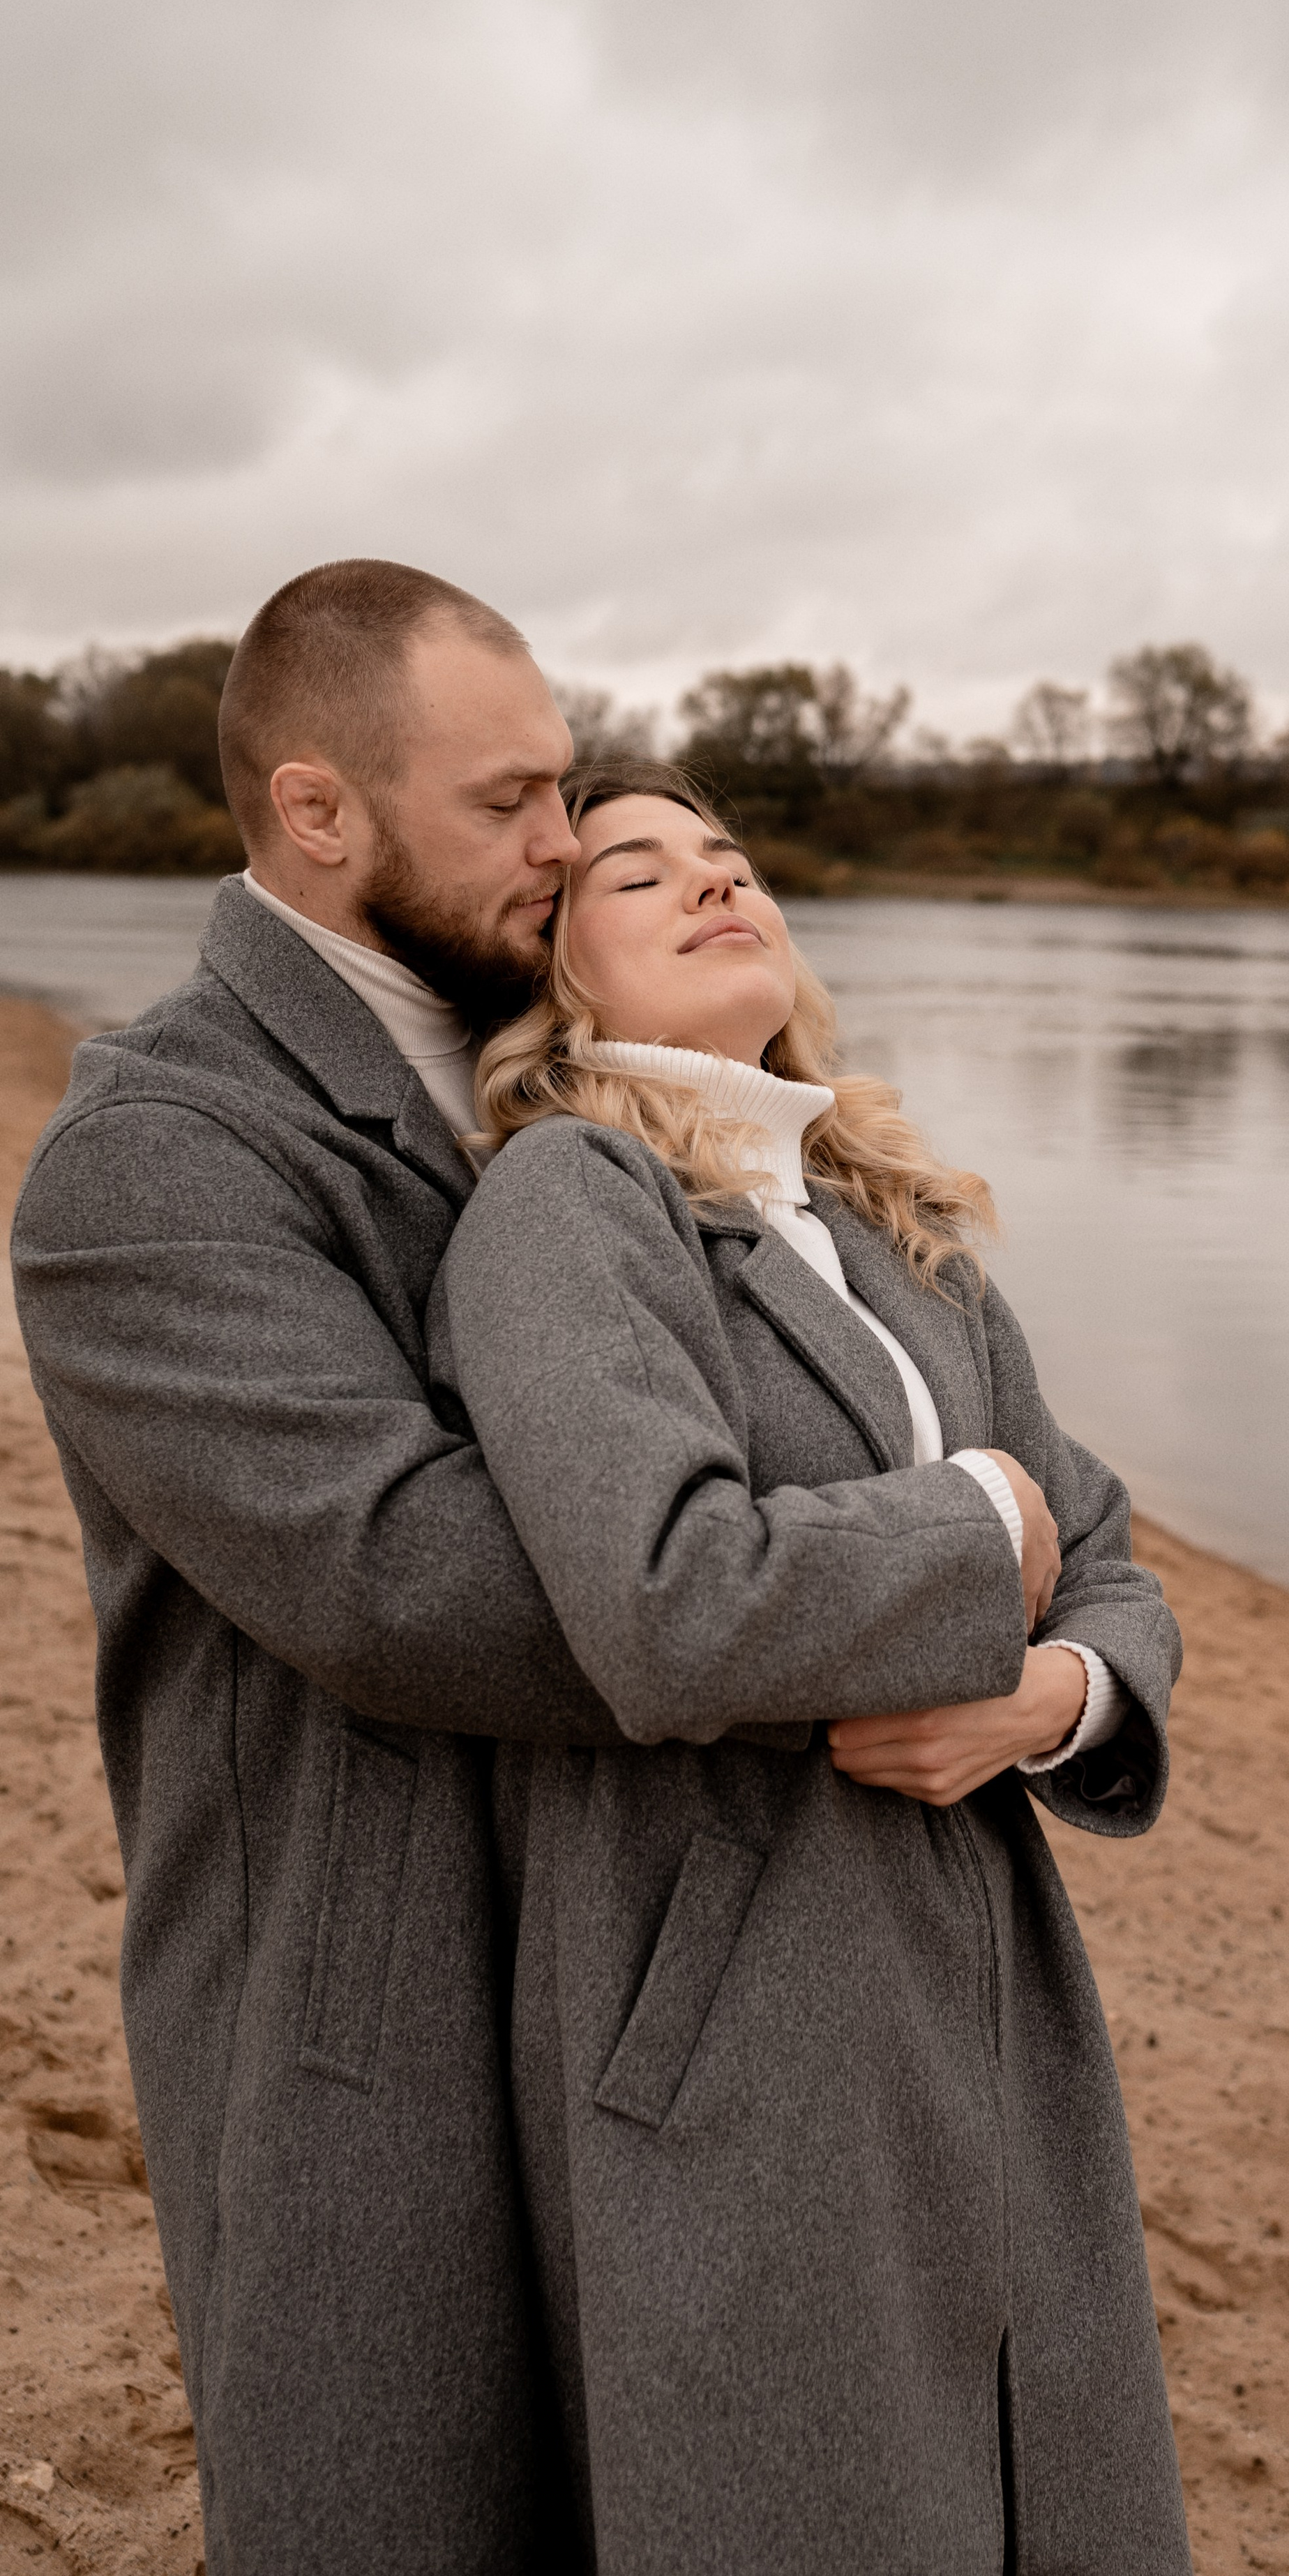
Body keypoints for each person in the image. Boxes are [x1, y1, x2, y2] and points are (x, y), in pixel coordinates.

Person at [432, 764, 1193, 2574]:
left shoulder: (893, 1229)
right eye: (640, 871)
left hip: (989, 1981)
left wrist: (1048, 1701)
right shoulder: (568, 1203)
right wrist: (967, 1522)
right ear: (558, 969)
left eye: (733, 859)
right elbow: (663, 1593)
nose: (713, 886)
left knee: (1043, 2493)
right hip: (751, 2011)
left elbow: (1112, 1565)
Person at [10, 559, 610, 2575]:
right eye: (509, 800)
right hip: (356, 2040)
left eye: (570, 786)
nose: (569, 840)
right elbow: (399, 1580)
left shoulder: (592, 1071)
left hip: (633, 1983)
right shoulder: (153, 1156)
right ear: (318, 812)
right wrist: (877, 1608)